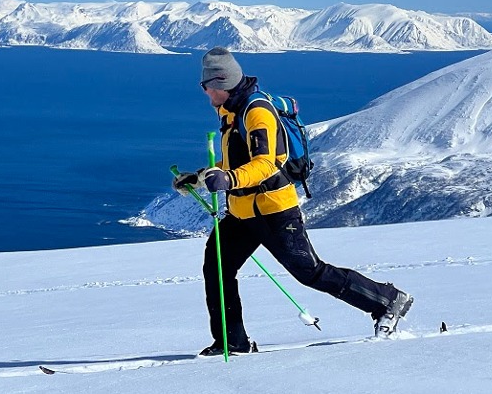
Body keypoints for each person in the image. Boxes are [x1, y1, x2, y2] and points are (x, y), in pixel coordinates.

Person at [173, 47, 413, 356]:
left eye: (205, 86)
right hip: (243, 211)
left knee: (308, 271)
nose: (204, 93)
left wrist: (228, 180)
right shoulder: (231, 111)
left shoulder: (256, 112)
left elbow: (266, 163)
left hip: (274, 210)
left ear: (220, 84)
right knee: (217, 268)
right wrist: (202, 176)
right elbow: (236, 160)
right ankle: (231, 343)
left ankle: (387, 300)